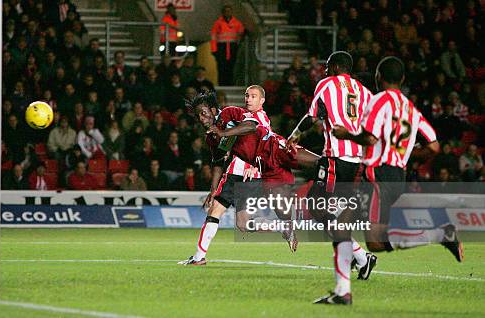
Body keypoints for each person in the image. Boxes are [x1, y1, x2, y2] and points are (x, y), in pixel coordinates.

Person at [333, 56, 462, 303]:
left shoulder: (378, 100)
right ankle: (343, 292)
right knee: (347, 226)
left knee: (370, 239)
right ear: (402, 79)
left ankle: (437, 234)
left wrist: (345, 133)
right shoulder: (411, 108)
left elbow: (369, 139)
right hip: (397, 175)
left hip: (376, 174)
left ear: (378, 77)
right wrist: (405, 155)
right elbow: (434, 146)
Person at [179, 91, 320, 266]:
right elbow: (217, 161)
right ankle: (199, 257)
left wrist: (224, 133)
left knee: (320, 163)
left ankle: (345, 165)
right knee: (242, 224)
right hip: (258, 166)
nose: (201, 118)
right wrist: (213, 189)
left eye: (203, 113)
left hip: (272, 149)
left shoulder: (229, 113)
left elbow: (251, 127)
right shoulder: (211, 137)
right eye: (198, 115)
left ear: (214, 110)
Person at [287, 51, 374, 305]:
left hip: (337, 157)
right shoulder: (364, 91)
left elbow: (312, 116)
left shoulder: (326, 85)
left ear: (336, 67)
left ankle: (355, 267)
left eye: (327, 67)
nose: (324, 71)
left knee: (318, 207)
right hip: (357, 159)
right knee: (329, 210)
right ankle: (360, 258)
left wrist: (295, 135)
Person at [210, 5, 244, 85]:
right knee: (221, 66)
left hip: (232, 47)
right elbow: (213, 37)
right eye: (226, 11)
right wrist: (214, 50)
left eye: (229, 11)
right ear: (223, 13)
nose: (227, 13)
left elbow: (241, 32)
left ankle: (230, 83)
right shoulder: (218, 23)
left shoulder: (237, 23)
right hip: (221, 47)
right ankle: (222, 83)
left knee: (231, 66)